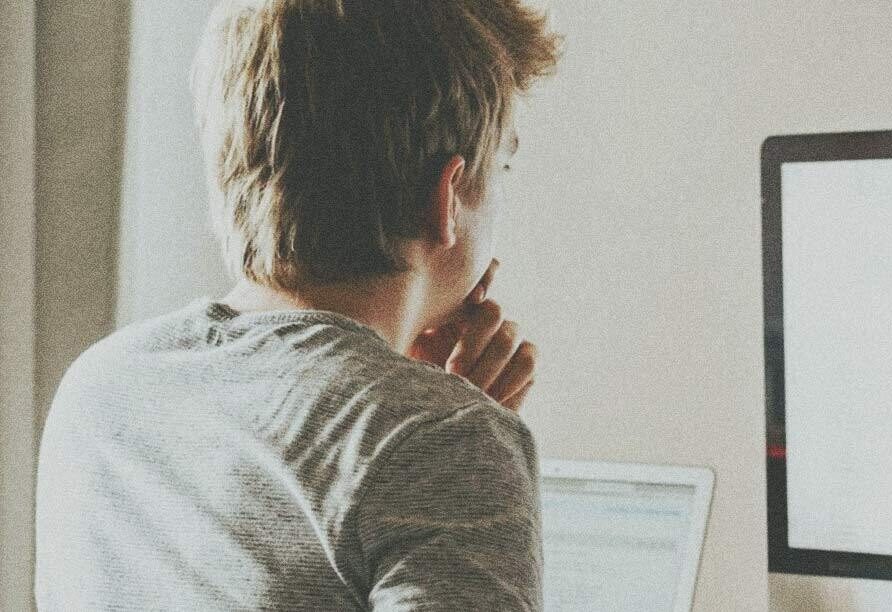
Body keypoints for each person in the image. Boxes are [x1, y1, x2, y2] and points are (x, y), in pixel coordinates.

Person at [34, 1, 560, 609]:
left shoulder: (101, 387)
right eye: (503, 166)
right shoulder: (443, 438)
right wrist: (456, 449)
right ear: (445, 198)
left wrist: (435, 419)